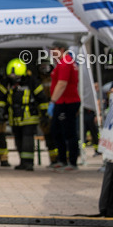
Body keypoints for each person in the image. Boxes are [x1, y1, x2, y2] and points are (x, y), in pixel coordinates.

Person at [6, 59, 46, 170]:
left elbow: (41, 98)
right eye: (12, 75)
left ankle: (28, 163)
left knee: (27, 140)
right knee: (18, 140)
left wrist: (44, 113)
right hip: (15, 117)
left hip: (29, 117)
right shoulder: (9, 84)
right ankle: (22, 162)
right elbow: (3, 98)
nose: (14, 77)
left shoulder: (31, 81)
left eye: (16, 75)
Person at [49, 41, 81, 171]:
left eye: (54, 49)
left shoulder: (65, 62)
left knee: (68, 132)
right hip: (63, 102)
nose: (52, 52)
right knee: (57, 131)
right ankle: (62, 159)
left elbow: (62, 84)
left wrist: (52, 101)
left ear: (61, 49)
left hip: (66, 102)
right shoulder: (64, 62)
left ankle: (72, 162)